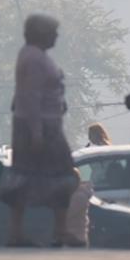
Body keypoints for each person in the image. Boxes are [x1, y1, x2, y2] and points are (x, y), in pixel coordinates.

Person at [6, 14, 86, 248]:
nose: (56, 37)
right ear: (40, 33)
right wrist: (37, 133)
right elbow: (30, 96)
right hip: (40, 128)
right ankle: (45, 231)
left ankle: (54, 230)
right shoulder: (33, 58)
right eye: (52, 32)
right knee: (58, 176)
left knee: (38, 176)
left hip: (42, 125)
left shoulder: (36, 56)